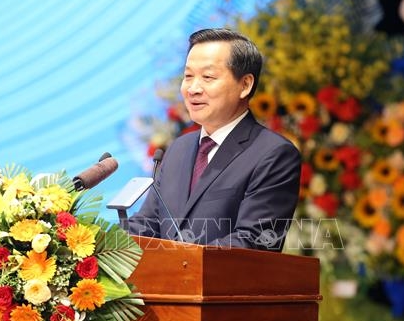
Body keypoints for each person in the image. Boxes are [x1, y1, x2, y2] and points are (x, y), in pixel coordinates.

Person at [127, 28, 301, 251]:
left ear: (245, 85)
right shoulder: (179, 148)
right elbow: (146, 226)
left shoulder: (273, 153)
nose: (193, 89)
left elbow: (254, 241)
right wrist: (96, 243)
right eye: (188, 76)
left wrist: (182, 261)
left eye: (207, 77)